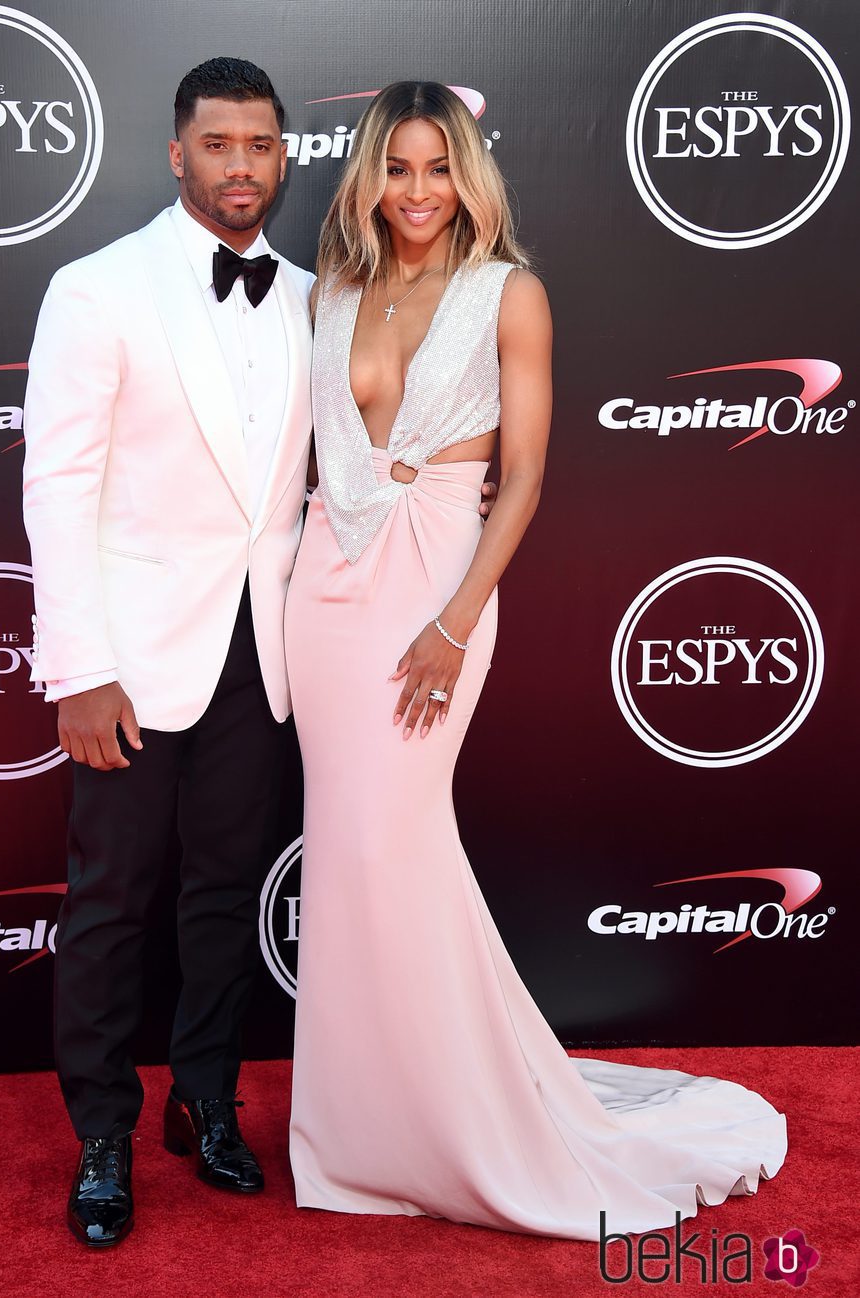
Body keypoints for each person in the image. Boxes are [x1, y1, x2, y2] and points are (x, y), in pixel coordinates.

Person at [285, 81, 787, 1240]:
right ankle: (359, 1130)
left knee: (392, 839)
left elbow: (523, 479)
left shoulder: (510, 294)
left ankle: (454, 1123)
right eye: (397, 169)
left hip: (434, 588)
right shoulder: (334, 292)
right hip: (325, 588)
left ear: (470, 176)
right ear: (368, 178)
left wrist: (454, 620)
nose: (417, 193)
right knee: (350, 859)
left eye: (437, 169)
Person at [22, 57, 316, 1248]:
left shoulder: (307, 294)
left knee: (225, 895)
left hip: (262, 647)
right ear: (176, 154)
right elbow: (58, 485)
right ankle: (102, 1128)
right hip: (130, 664)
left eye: (259, 145)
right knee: (108, 903)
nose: (240, 165)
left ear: (283, 157)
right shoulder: (96, 287)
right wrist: (77, 665)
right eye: (217, 144)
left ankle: (204, 1098)